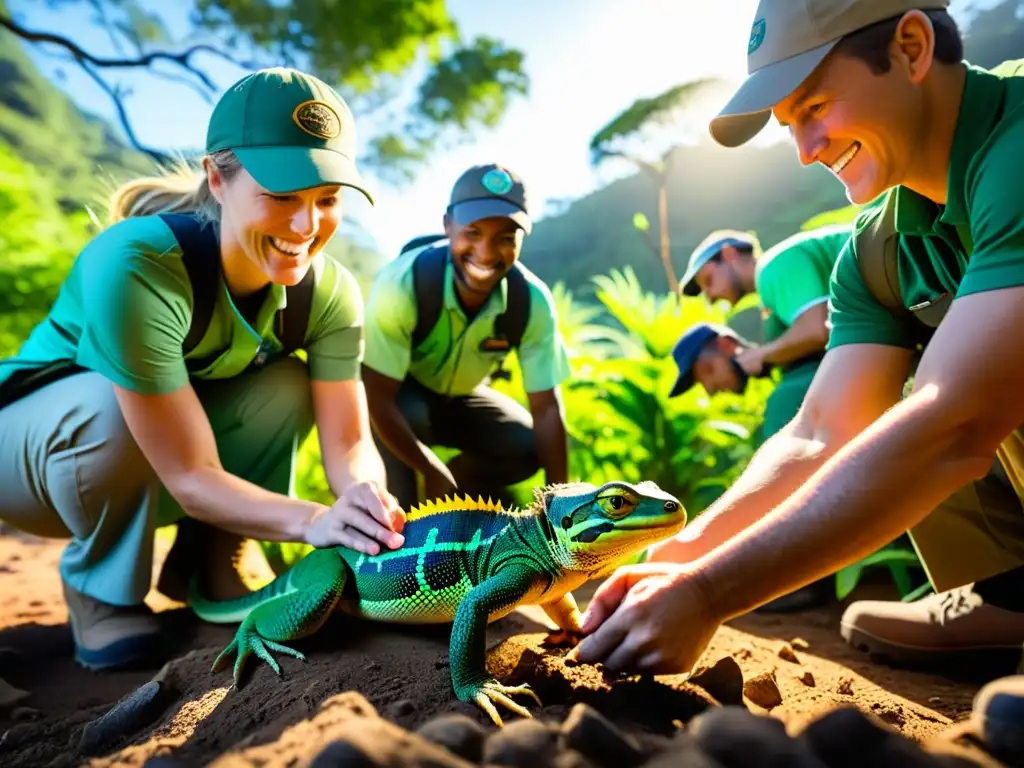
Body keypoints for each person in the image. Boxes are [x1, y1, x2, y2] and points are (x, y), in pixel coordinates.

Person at [566, 1, 1024, 686]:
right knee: (904, 387)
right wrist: (683, 558)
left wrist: (711, 595)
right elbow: (820, 431)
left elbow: (955, 423)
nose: (808, 152)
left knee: (950, 388)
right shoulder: (877, 252)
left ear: (910, 47)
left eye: (815, 107)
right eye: (789, 127)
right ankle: (1009, 598)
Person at [0, 67, 404, 676]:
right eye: (282, 196)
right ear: (217, 178)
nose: (306, 228)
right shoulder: (136, 263)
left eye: (326, 200)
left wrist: (364, 498)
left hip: (157, 463)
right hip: (33, 459)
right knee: (110, 407)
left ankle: (215, 555)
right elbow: (190, 475)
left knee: (286, 385)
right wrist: (314, 521)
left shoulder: (329, 294)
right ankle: (102, 591)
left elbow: (349, 442)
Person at [361, 164, 571, 510]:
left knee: (526, 446)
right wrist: (430, 468)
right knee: (405, 503)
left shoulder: (530, 301)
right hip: (396, 400)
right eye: (473, 233)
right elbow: (377, 397)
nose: (486, 254)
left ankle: (458, 497)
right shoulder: (401, 284)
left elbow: (547, 410)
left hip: (461, 397)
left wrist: (560, 504)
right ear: (447, 226)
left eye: (505, 238)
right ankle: (398, 535)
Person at [677, 225, 850, 446]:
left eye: (709, 280)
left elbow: (818, 328)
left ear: (729, 254)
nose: (710, 297)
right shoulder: (771, 294)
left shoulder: (771, 267)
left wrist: (761, 355)